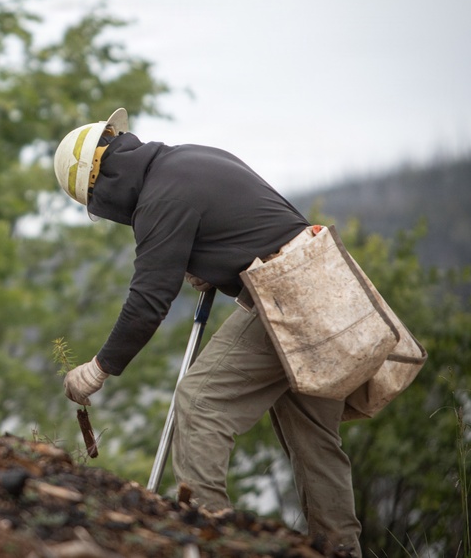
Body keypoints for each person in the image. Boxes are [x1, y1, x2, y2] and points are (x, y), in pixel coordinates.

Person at [54, 108, 361, 555]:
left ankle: (214, 543)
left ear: (100, 185)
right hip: (326, 284)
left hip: (287, 294)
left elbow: (149, 300)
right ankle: (343, 551)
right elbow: (252, 229)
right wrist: (215, 264)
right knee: (315, 442)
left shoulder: (160, 195)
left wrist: (101, 368)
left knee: (200, 402)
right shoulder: (190, 160)